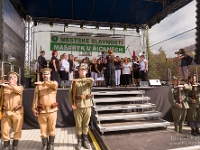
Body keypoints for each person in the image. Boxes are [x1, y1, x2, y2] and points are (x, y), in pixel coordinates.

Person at [68, 64, 94, 150]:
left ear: (86, 71)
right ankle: (79, 141)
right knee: (78, 124)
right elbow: (70, 94)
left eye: (84, 70)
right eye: (81, 70)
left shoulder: (88, 80)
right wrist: (72, 104)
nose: (83, 71)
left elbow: (92, 79)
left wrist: (80, 80)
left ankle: (85, 141)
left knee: (86, 124)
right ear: (78, 71)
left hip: (87, 105)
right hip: (78, 106)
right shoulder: (74, 82)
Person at [32, 68, 58, 150]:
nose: (45, 76)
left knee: (52, 128)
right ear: (42, 75)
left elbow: (54, 86)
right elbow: (35, 99)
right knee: (43, 129)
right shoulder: (38, 86)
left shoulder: (54, 83)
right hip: (42, 111)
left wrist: (44, 83)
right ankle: (44, 145)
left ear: (50, 75)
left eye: (47, 74)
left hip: (52, 111)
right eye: (44, 74)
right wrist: (34, 108)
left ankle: (51, 145)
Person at [0, 71, 24, 150]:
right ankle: (6, 145)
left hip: (17, 112)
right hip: (6, 112)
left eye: (14, 78)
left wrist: (7, 86)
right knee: (4, 129)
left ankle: (15, 145)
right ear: (8, 79)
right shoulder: (4, 88)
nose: (12, 79)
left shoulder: (19, 87)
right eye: (10, 78)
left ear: (17, 80)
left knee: (17, 130)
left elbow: (17, 90)